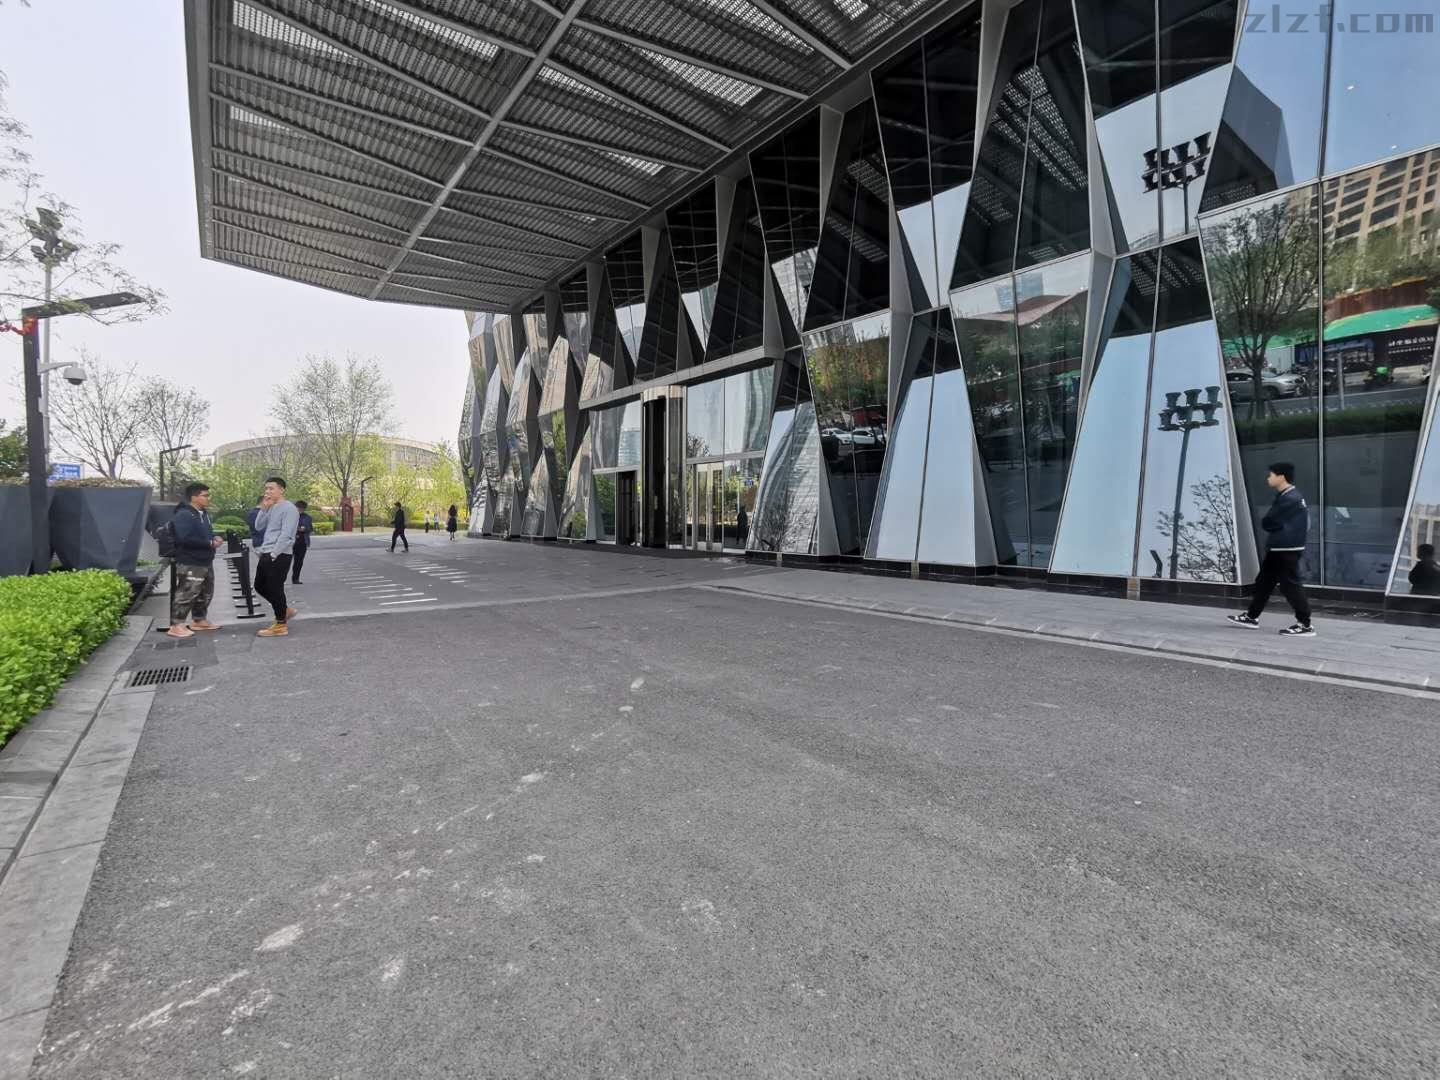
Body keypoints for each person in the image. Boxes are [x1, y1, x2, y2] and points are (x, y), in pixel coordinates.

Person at [1228, 462, 1314, 636]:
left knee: (1290, 585)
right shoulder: (1292, 496)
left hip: (1286, 549)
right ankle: (1251, 616)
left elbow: (1268, 521)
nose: (1268, 478)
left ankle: (1305, 624)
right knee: (1264, 582)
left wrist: (1272, 526)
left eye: (1271, 475)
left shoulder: (1289, 498)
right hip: (1280, 547)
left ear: (1281, 477)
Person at [167, 482, 225, 639]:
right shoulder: (184, 514)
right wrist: (209, 543)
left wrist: (214, 538)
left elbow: (204, 534)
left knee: (205, 592)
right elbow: (184, 538)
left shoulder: (203, 513)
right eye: (205, 495)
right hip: (190, 561)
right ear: (194, 497)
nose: (208, 498)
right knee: (187, 592)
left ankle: (199, 620)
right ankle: (176, 625)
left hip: (205, 559)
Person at [252, 477, 299, 637]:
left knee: (275, 587)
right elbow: (258, 526)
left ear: (281, 489)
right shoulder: (271, 507)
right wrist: (264, 508)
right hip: (266, 552)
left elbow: (287, 534)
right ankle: (284, 610)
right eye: (266, 489)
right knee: (259, 585)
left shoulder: (289, 508)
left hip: (279, 554)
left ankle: (280, 625)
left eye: (271, 488)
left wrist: (274, 553)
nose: (267, 492)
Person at [291, 499, 313, 585]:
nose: (300, 510)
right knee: (285, 561)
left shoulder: (307, 517)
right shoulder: (290, 516)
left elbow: (310, 529)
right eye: (298, 508)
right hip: (290, 542)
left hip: (302, 542)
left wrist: (304, 529)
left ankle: (295, 578)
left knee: (299, 561)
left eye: (302, 509)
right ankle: (280, 579)